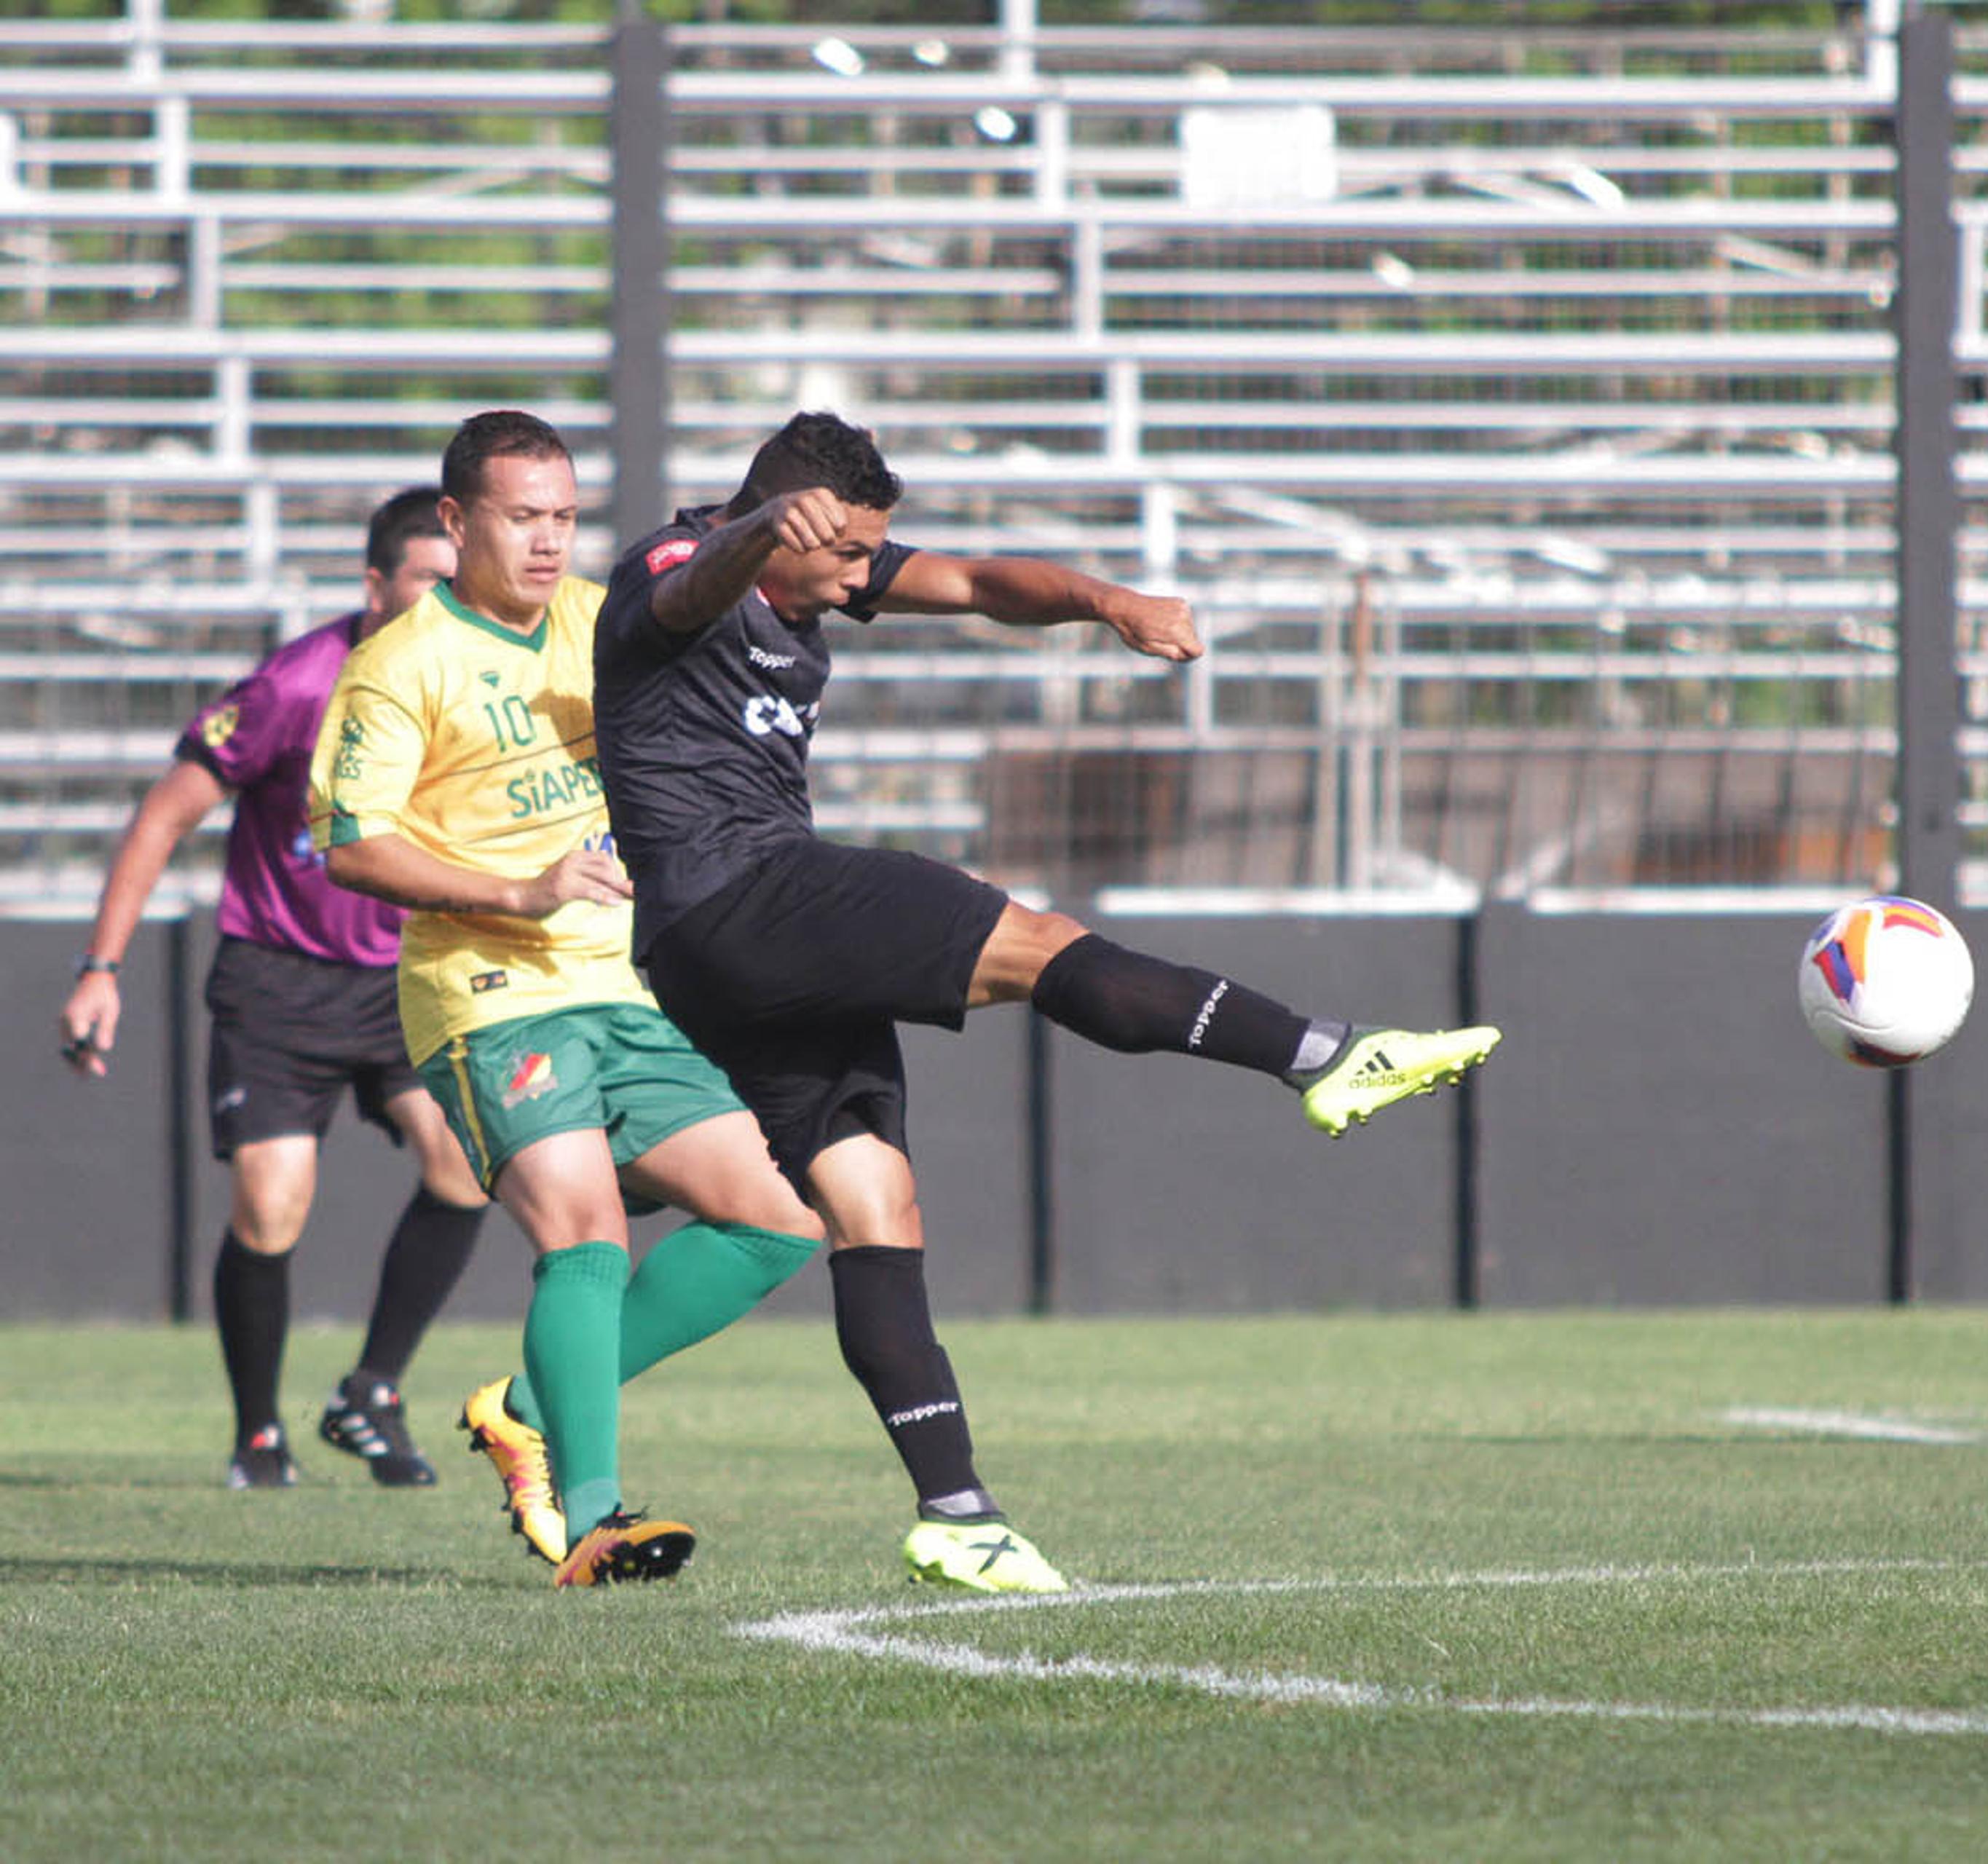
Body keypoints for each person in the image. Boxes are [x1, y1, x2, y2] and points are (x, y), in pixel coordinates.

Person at [590, 410, 1501, 1587]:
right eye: (849, 552)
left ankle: (958, 1516)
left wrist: (1108, 602)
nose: (867, 576)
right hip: (745, 893)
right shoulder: (670, 571)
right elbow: (690, 591)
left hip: (718, 947)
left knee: (874, 1201)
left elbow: (976, 583)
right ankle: (1323, 1055)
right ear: (784, 523)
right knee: (1040, 942)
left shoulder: (819, 575)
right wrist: (761, 524)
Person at [307, 409, 832, 1588]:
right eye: (520, 518)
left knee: (781, 1213)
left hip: (622, 983)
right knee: (584, 1230)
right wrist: (522, 887)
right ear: (456, 523)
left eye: (563, 518)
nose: (548, 543)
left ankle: (530, 1404)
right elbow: (352, 848)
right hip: (488, 994)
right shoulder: (398, 664)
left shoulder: (605, 623)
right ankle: (592, 1516)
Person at [58, 489, 492, 1492]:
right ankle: (258, 1433)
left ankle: (372, 1392)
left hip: (408, 977)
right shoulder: (296, 684)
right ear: (375, 584)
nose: (441, 598)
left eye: (453, 581)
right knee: (272, 1206)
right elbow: (165, 816)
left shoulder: (468, 680)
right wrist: (100, 970)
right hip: (279, 982)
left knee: (465, 1162)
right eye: (425, 578)